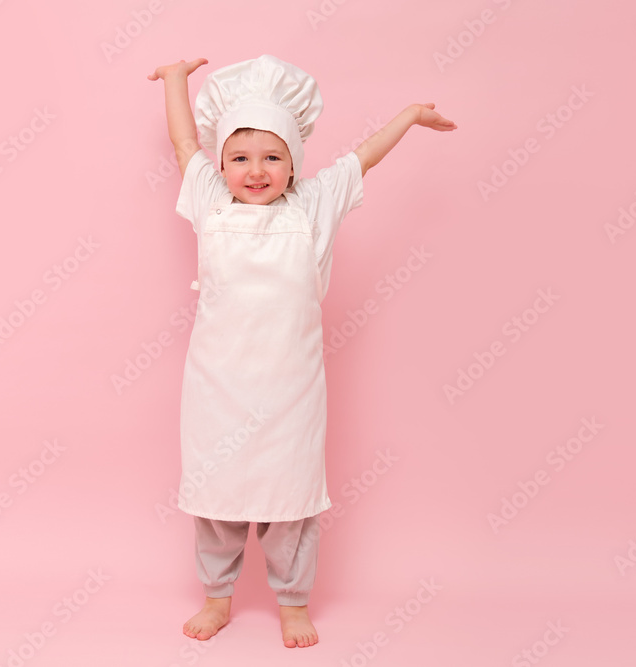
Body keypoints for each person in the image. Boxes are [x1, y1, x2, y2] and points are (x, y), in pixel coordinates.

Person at [148, 54, 456, 649]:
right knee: (219, 501)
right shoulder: (210, 202)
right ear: (221, 165)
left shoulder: (313, 206)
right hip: (217, 387)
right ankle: (217, 599)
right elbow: (184, 138)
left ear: (294, 163)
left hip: (290, 393)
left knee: (291, 504)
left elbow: (363, 155)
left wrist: (411, 116)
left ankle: (293, 602)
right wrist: (177, 80)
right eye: (239, 158)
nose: (255, 171)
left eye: (272, 157)